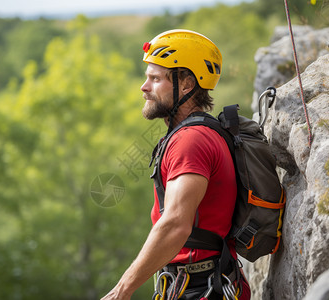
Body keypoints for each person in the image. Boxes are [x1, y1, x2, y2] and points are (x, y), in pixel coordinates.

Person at [101, 29, 250, 300]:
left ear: (186, 84)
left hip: (200, 287)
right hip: (199, 283)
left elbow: (175, 224)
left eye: (155, 78)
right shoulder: (202, 133)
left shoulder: (190, 141)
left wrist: (121, 291)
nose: (144, 87)